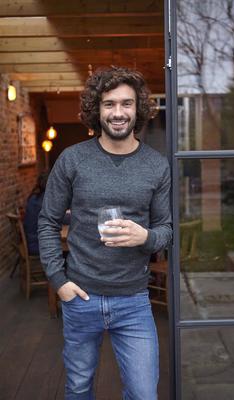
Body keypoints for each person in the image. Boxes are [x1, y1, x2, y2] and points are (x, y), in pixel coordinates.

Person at [38, 66, 172, 400]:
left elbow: (167, 230)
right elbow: (47, 222)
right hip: (81, 296)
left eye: (126, 104)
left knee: (143, 394)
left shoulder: (157, 165)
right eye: (109, 104)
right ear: (96, 110)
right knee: (79, 387)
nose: (117, 113)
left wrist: (146, 238)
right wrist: (59, 282)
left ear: (137, 109)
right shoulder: (72, 160)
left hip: (134, 300)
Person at [24, 171, 48, 255]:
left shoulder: (34, 197)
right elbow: (61, 218)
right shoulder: (44, 201)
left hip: (32, 241)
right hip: (38, 245)